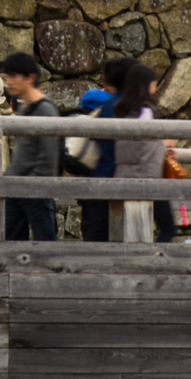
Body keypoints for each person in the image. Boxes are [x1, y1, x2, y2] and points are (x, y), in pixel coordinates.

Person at [109, 59, 172, 244]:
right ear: (145, 85)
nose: (155, 87)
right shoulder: (147, 110)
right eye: (153, 84)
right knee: (168, 229)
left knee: (126, 235)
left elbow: (136, 144)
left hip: (123, 176)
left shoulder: (121, 110)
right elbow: (146, 144)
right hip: (147, 178)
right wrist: (165, 144)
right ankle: (155, 259)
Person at [0, 54, 59, 241]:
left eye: (13, 76)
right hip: (16, 188)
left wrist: (31, 184)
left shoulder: (45, 110)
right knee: (9, 242)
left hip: (36, 191)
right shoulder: (25, 109)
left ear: (30, 78)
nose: (9, 82)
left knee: (46, 243)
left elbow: (49, 156)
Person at [74, 59, 131, 242]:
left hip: (98, 179)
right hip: (114, 181)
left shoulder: (108, 106)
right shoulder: (123, 107)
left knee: (96, 237)